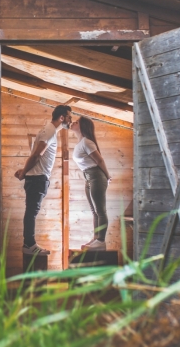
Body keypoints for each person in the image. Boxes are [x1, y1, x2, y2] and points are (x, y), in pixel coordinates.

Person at [14, 105, 73, 256]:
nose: (71, 120)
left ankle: (29, 244)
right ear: (61, 118)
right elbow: (37, 155)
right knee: (32, 211)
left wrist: (24, 171)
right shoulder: (50, 131)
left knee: (31, 211)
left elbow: (35, 156)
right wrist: (24, 173)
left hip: (37, 177)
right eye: (69, 117)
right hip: (37, 179)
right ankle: (29, 245)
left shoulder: (49, 131)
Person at [71, 116, 111, 251]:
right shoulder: (81, 143)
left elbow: (100, 161)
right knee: (94, 211)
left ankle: (101, 241)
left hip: (96, 176)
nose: (73, 123)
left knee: (100, 210)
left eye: (76, 122)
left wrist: (108, 176)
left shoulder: (87, 143)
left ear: (82, 127)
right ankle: (96, 238)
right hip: (88, 177)